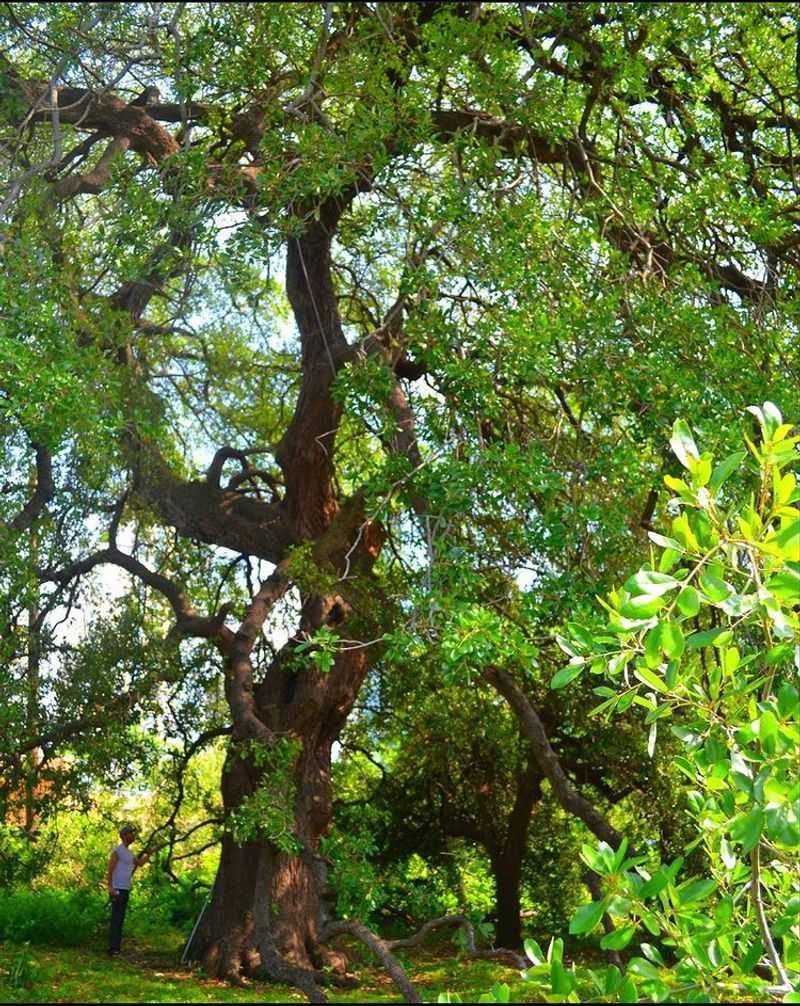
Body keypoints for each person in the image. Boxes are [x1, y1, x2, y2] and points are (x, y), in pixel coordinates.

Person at [107, 823, 151, 957]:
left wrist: (149, 854)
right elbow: (110, 869)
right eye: (131, 833)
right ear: (125, 836)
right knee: (116, 918)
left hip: (125, 888)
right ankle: (113, 949)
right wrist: (110, 887)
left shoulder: (130, 853)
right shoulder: (117, 851)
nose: (134, 836)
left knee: (120, 919)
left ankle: (116, 948)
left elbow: (140, 863)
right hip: (117, 888)